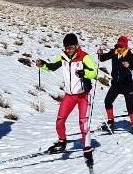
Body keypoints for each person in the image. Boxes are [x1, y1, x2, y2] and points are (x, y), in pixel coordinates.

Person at [36, 33, 98, 165]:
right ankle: (62, 141)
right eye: (66, 48)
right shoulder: (62, 56)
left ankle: (87, 147)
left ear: (77, 46)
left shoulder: (84, 57)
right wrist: (43, 64)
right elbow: (52, 67)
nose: (68, 50)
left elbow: (94, 72)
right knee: (60, 120)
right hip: (69, 95)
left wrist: (84, 73)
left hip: (83, 95)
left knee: (83, 122)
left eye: (71, 47)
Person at [97, 36, 133, 136]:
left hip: (127, 84)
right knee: (108, 101)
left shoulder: (129, 54)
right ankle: (111, 122)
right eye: (118, 46)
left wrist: (129, 65)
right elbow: (102, 59)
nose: (119, 48)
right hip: (116, 84)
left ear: (125, 47)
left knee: (130, 106)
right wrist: (100, 54)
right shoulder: (114, 52)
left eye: (121, 46)